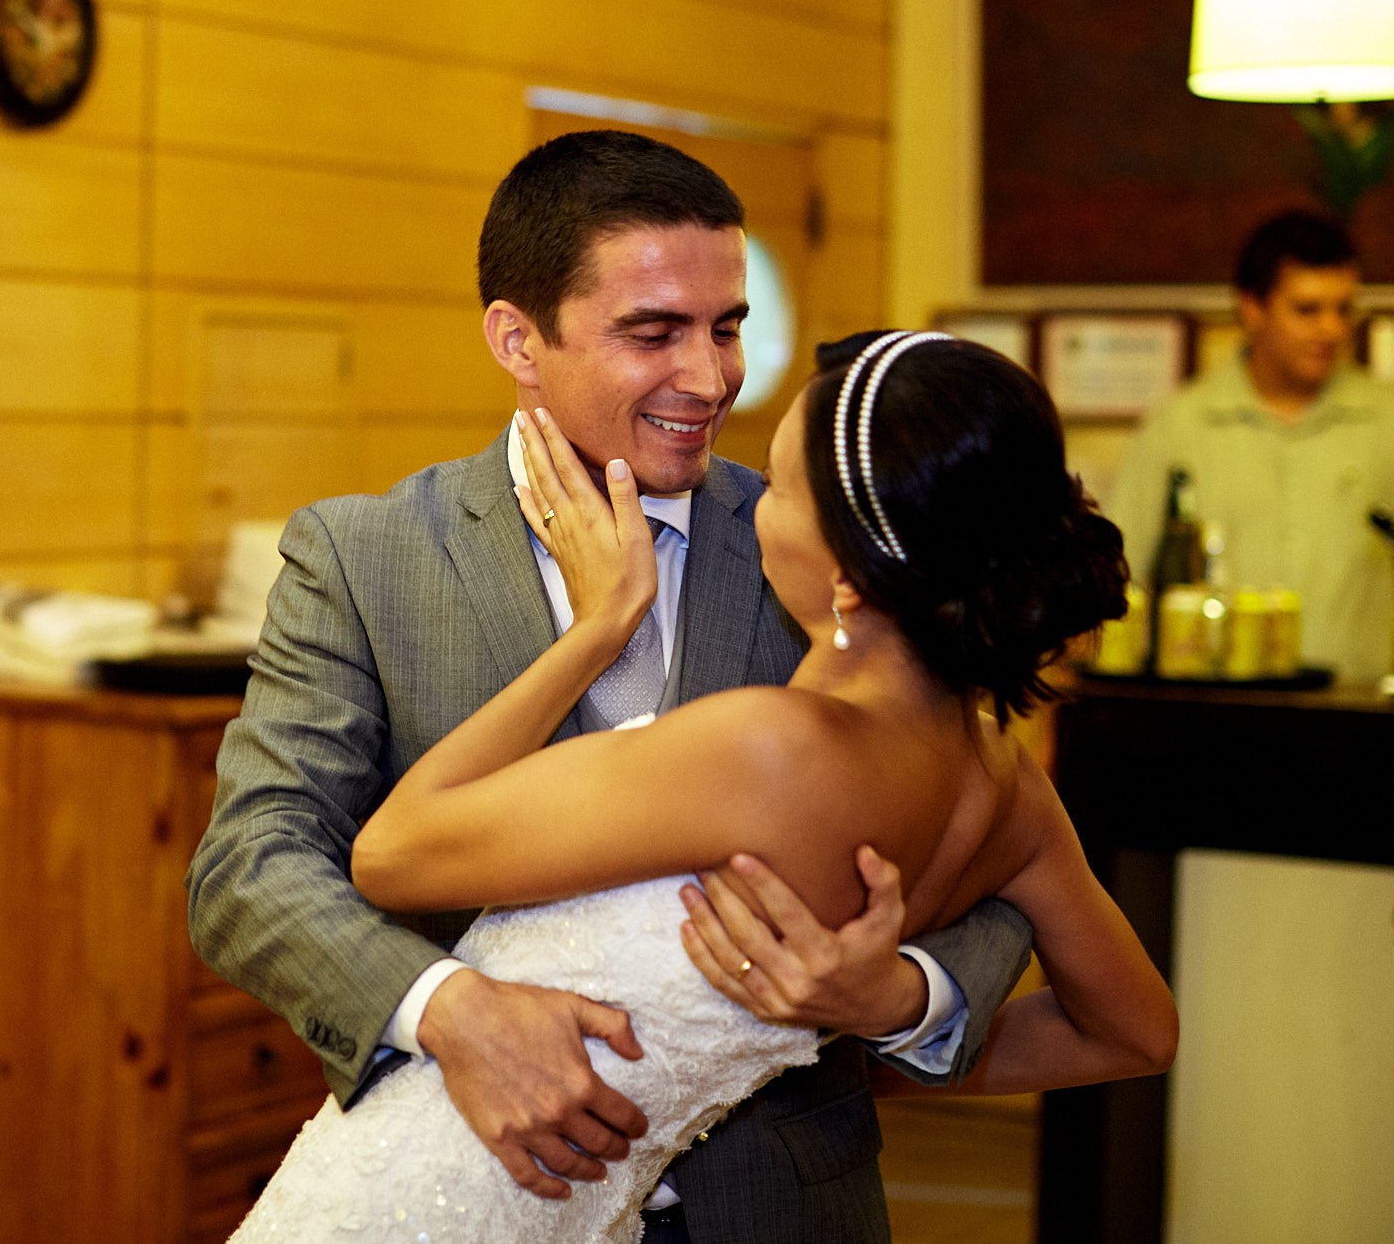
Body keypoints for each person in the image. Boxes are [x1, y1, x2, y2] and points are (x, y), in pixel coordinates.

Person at [188, 131, 1036, 1244]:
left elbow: (994, 840)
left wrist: (898, 992)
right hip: (477, 1189)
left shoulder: (820, 544)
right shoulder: (363, 558)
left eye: (725, 327)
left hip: (778, 1207)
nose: (710, 375)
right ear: (516, 338)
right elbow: (250, 866)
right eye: (653, 333)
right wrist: (448, 1011)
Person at [225, 332, 1177, 1242]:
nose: (750, 495)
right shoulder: (1009, 786)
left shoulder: (766, 747)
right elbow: (1139, 1031)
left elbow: (392, 854)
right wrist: (835, 1041)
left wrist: (599, 628)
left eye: (783, 486)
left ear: (850, 574)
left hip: (429, 1201)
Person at [1107, 209, 1394, 684]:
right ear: (1252, 308)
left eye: (1343, 309)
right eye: (1307, 310)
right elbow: (1121, 579)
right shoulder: (1180, 424)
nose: (1330, 329)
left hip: (1359, 719)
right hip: (1218, 715)